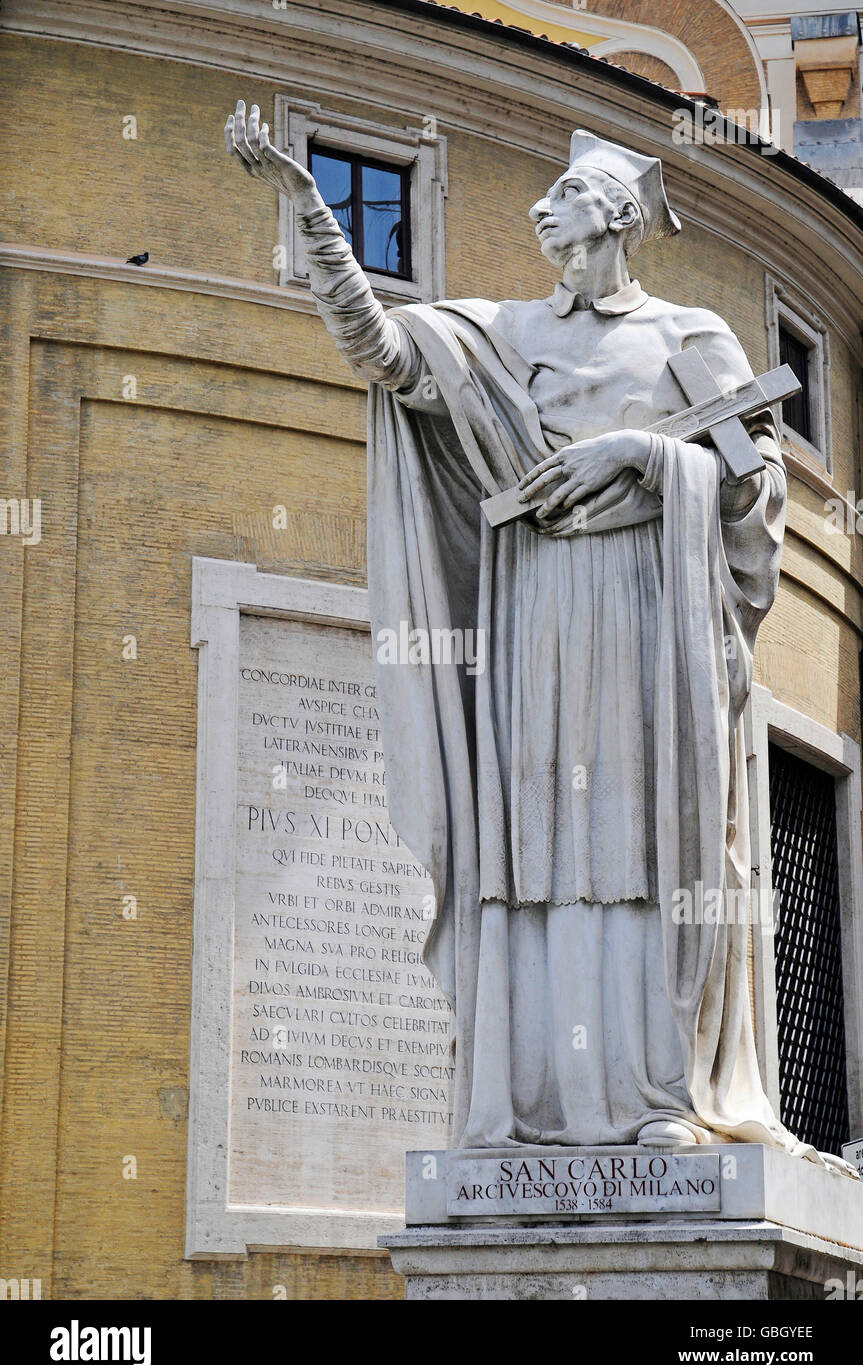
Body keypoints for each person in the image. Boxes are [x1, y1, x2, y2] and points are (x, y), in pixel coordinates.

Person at [225, 102, 851, 1171]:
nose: (538, 209)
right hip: (535, 611)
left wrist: (646, 463)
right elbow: (382, 352)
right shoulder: (507, 336)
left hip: (648, 614)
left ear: (612, 215)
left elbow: (750, 485)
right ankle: (536, 1100)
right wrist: (310, 211)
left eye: (561, 196)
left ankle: (662, 1092)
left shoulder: (687, 336)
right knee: (541, 850)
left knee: (644, 843)